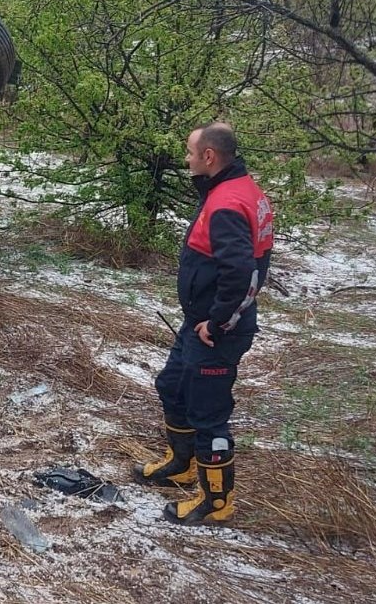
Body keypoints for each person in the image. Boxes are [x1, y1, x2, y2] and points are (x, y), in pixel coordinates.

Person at [132, 122, 274, 525]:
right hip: (199, 321)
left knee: (208, 415)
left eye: (190, 152)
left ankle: (216, 502)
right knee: (172, 386)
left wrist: (218, 323)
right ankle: (181, 464)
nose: (187, 158)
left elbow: (243, 272)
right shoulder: (235, 189)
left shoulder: (229, 202)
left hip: (217, 330)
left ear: (209, 156)